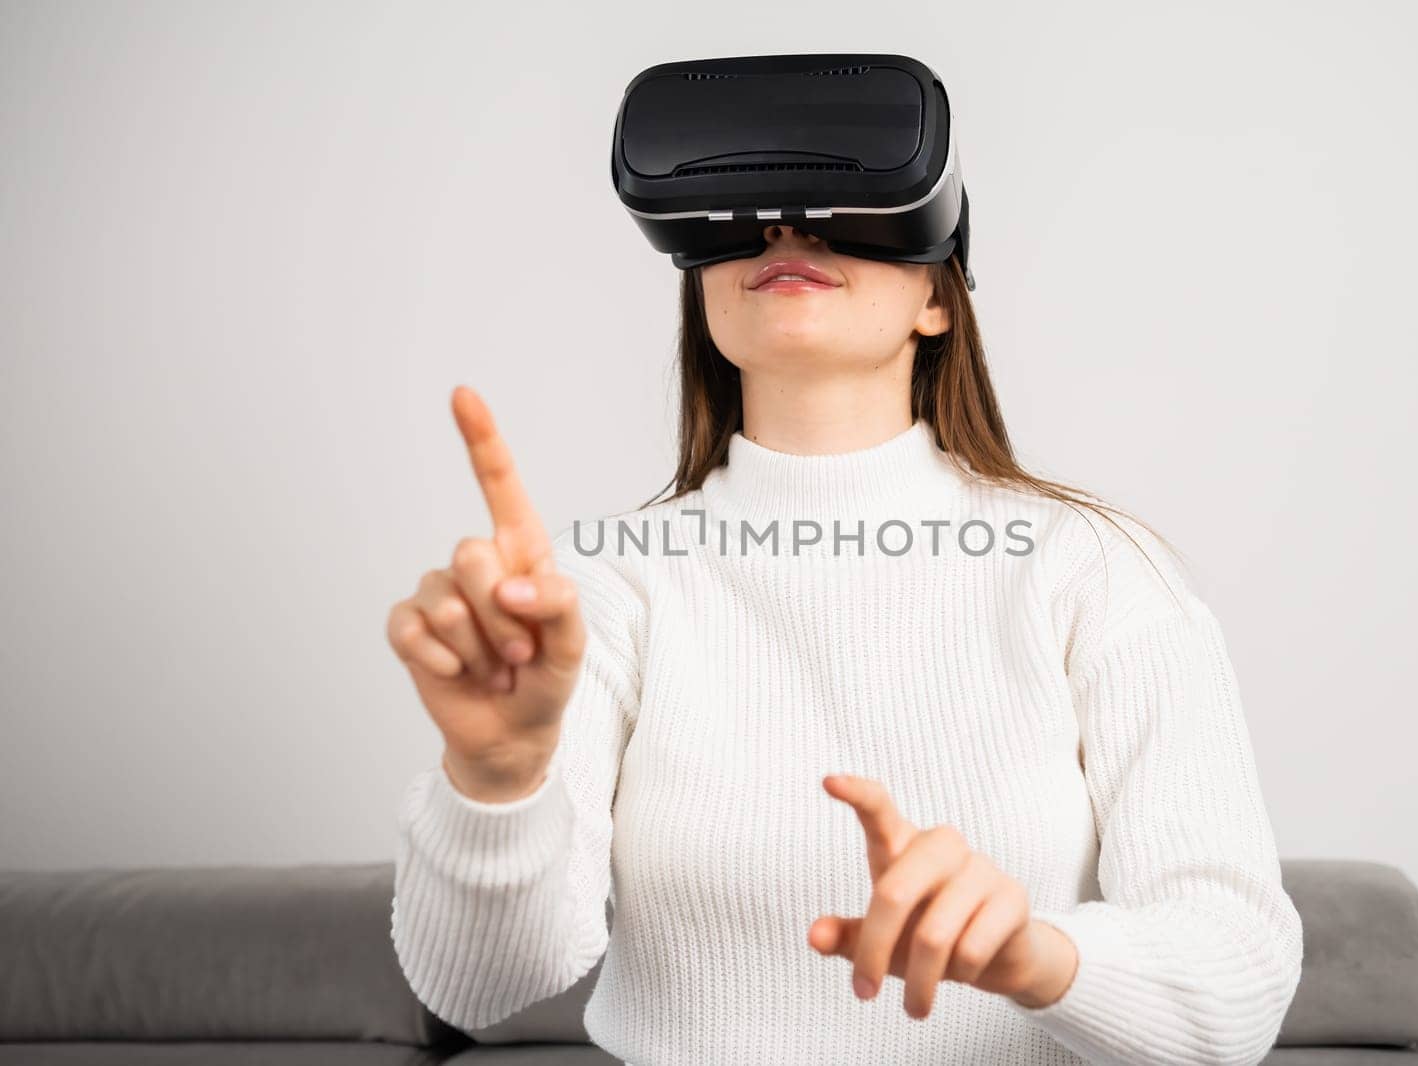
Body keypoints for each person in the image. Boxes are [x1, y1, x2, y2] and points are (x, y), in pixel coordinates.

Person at [385, 226, 1304, 1066]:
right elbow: (477, 987)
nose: (788, 226)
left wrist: (1036, 956)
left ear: (938, 299)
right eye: (742, 211)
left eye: (854, 201)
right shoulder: (603, 585)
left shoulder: (1091, 570)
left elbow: (1238, 971)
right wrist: (498, 779)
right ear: (701, 290)